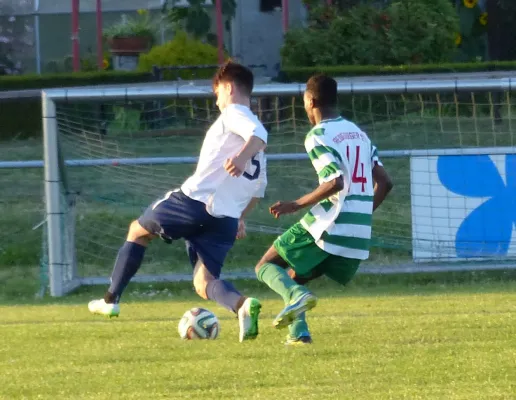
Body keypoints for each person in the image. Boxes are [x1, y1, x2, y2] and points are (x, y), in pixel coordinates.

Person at [88, 60, 268, 343]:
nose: (217, 101)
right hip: (225, 219)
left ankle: (110, 300)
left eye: (217, 93)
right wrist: (241, 216)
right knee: (203, 283)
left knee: (137, 230)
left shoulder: (235, 114)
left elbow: (260, 135)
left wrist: (241, 157)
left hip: (194, 202)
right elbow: (259, 189)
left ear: (229, 87)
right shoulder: (257, 151)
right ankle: (241, 305)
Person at [254, 74, 393, 345]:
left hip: (330, 224)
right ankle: (299, 335)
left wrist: (295, 205)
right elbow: (386, 182)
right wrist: (362, 212)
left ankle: (296, 300)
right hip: (358, 232)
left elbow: (334, 182)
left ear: (311, 100)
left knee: (266, 266)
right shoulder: (358, 134)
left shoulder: (317, 135)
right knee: (296, 278)